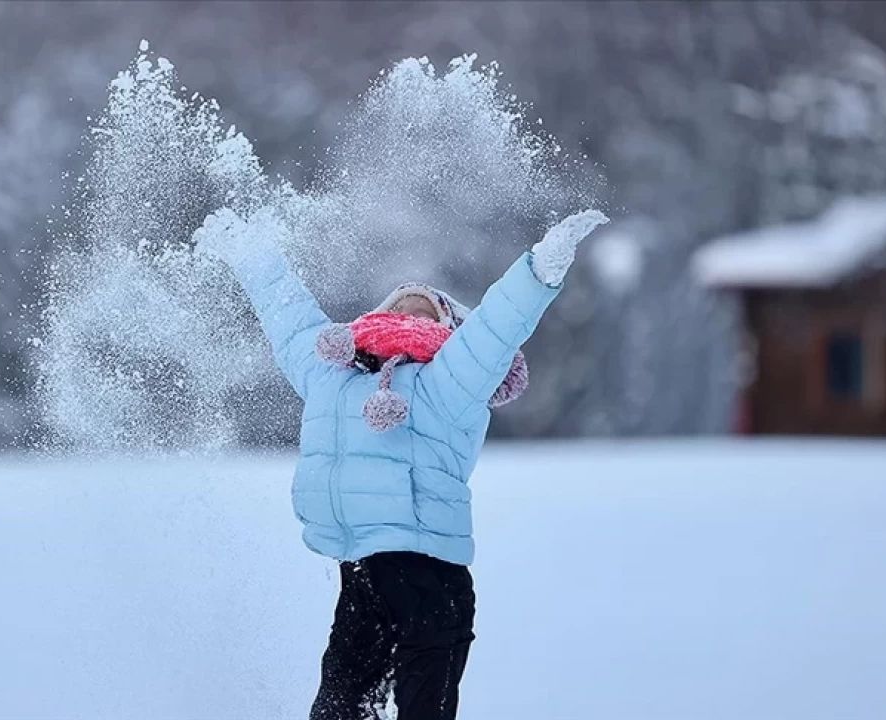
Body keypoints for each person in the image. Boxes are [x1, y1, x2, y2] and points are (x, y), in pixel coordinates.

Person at [192, 207, 608, 719]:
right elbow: (290, 317)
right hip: (364, 569)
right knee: (338, 705)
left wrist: (540, 268)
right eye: (399, 309)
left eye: (425, 313)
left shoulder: (451, 380)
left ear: (451, 330)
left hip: (430, 571)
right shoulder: (332, 376)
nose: (410, 317)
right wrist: (252, 256)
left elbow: (497, 327)